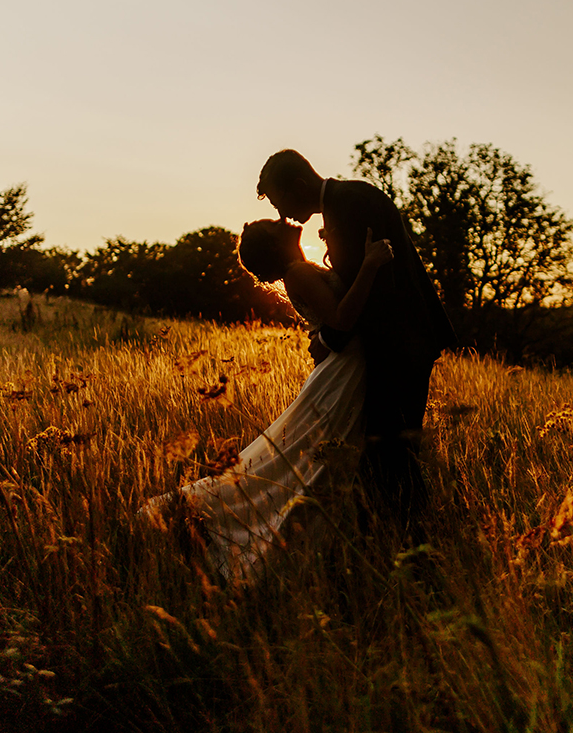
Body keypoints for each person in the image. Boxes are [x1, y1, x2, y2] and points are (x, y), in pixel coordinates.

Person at [143, 218, 393, 583]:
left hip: (343, 367)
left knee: (304, 464)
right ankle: (218, 528)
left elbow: (330, 324)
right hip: (345, 371)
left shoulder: (301, 271)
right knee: (306, 466)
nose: (284, 220)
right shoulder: (298, 273)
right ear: (275, 243)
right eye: (274, 223)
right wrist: (369, 264)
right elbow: (341, 318)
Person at [256, 149, 457, 535]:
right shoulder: (344, 203)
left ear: (299, 186)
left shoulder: (349, 205)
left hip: (399, 345)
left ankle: (412, 537)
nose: (284, 216)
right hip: (393, 344)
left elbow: (378, 290)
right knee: (387, 450)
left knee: (391, 449)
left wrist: (330, 336)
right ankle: (399, 536)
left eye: (282, 203)